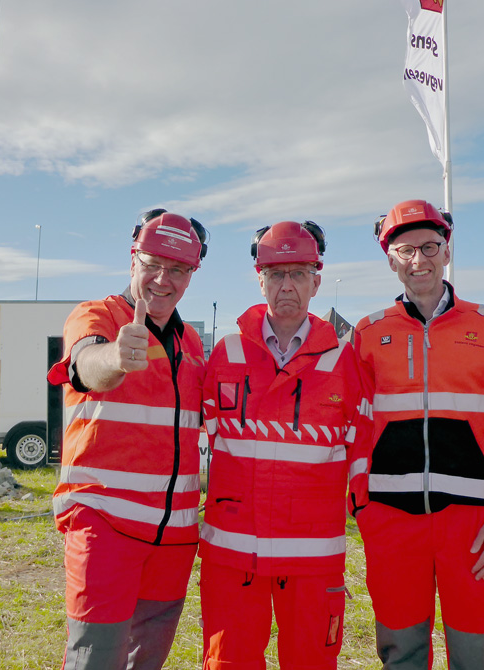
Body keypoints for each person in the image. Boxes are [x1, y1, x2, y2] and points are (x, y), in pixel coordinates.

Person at [352, 200, 484, 670]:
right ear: (390, 260)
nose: (419, 260)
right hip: (390, 520)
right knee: (401, 653)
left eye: (429, 247)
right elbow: (356, 426)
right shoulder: (368, 333)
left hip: (475, 524)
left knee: (475, 656)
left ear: (446, 251)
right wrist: (362, 505)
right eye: (405, 251)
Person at [199, 220, 371, 670]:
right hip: (234, 555)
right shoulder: (226, 353)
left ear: (317, 280)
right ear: (260, 279)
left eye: (298, 274)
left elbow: (363, 452)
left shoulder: (344, 360)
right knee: (228, 663)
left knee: (312, 662)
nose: (287, 286)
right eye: (276, 274)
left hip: (313, 560)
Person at [46, 209, 209, 670]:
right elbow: (86, 365)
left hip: (174, 539)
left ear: (192, 275)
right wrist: (116, 356)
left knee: (147, 662)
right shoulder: (96, 315)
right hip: (105, 527)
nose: (163, 279)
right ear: (132, 258)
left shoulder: (192, 343)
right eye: (152, 263)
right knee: (95, 660)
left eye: (178, 269)